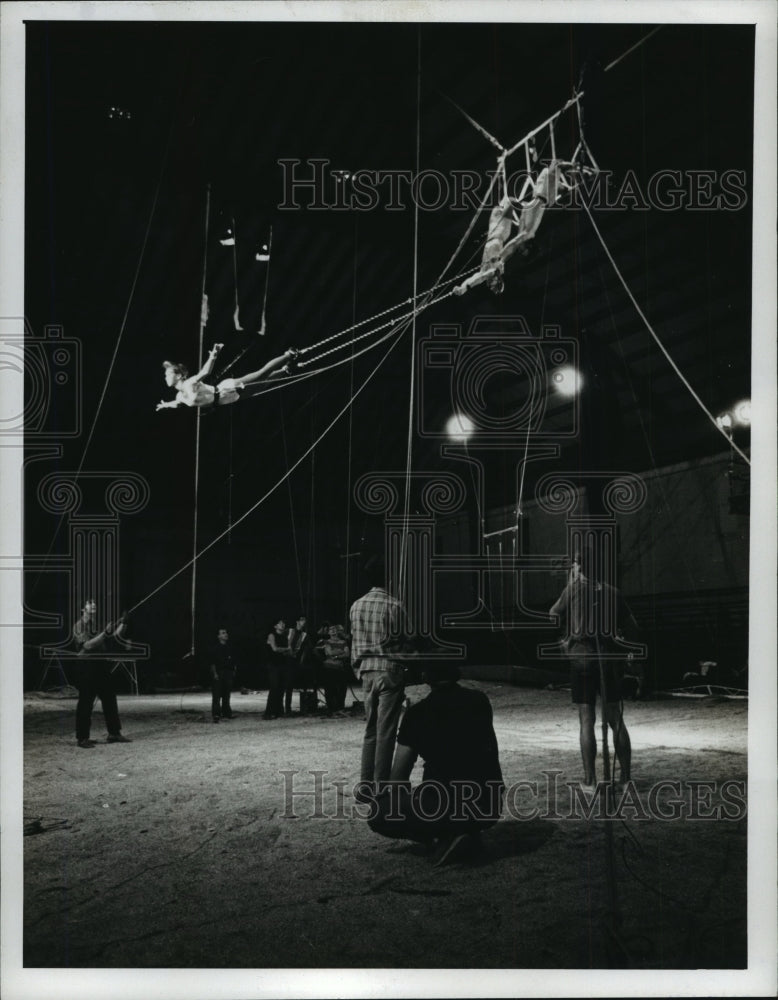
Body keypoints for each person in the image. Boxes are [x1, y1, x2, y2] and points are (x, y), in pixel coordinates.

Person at [365, 662, 504, 866]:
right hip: (488, 804)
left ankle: (446, 835)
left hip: (443, 805)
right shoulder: (480, 700)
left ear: (424, 676)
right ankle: (466, 832)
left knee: (379, 812)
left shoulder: (418, 713)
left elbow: (397, 780)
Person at [549, 549, 640, 788]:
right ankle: (626, 777)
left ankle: (590, 778)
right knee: (615, 718)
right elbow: (633, 627)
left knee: (586, 719)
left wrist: (566, 638)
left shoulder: (572, 590)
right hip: (608, 660)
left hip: (582, 660)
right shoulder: (613, 592)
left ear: (579, 566)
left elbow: (552, 615)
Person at [454, 160, 573, 296]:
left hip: (495, 234)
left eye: (492, 288)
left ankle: (557, 179)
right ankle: (556, 172)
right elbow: (512, 245)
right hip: (501, 234)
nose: (490, 287)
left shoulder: (487, 271)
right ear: (498, 281)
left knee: (536, 199)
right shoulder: (496, 271)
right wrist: (501, 258)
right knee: (541, 199)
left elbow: (476, 277)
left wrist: (463, 287)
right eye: (494, 287)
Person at [350, 558, 409, 789]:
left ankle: (365, 785)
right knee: (386, 732)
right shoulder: (395, 605)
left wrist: (357, 668)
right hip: (389, 671)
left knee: (370, 730)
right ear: (389, 580)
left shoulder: (355, 606)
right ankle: (381, 786)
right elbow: (405, 641)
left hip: (366, 671)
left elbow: (354, 639)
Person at [156, 343, 298, 411]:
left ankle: (289, 355)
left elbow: (205, 372)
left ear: (179, 375)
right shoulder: (179, 397)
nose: (165, 378)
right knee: (262, 386)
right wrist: (165, 405)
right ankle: (284, 370)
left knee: (261, 374)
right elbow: (176, 404)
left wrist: (212, 356)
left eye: (167, 374)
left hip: (226, 388)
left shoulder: (189, 383)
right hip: (226, 400)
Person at [72, 598, 131, 748]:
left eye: (94, 603)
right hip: (87, 666)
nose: (93, 604)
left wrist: (123, 623)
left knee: (110, 698)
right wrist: (105, 633)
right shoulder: (79, 626)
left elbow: (113, 638)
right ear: (82, 609)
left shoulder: (96, 626)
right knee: (86, 702)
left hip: (100, 665)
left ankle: (114, 733)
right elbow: (88, 645)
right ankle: (82, 738)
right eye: (89, 602)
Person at [316, 624, 352, 714]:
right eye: (330, 629)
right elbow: (329, 653)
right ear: (328, 632)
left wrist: (336, 655)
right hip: (329, 667)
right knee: (329, 689)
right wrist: (340, 652)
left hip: (340, 668)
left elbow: (347, 654)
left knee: (341, 688)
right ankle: (331, 708)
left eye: (334, 629)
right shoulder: (326, 642)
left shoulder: (343, 642)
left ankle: (340, 708)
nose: (333, 631)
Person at [264, 618, 292, 719]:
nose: (283, 625)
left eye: (283, 623)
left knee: (281, 688)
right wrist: (285, 650)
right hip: (273, 665)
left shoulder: (285, 637)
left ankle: (278, 712)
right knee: (274, 688)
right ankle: (268, 713)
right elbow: (274, 648)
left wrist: (284, 650)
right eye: (280, 623)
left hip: (283, 664)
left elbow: (290, 651)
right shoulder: (272, 635)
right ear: (275, 626)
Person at [210, 627, 236, 723]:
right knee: (217, 694)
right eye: (223, 633)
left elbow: (233, 661)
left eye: (226, 632)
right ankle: (216, 714)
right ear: (218, 636)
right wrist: (215, 673)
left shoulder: (229, 648)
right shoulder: (215, 648)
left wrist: (233, 671)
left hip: (228, 672)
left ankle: (227, 713)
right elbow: (212, 663)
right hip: (219, 672)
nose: (226, 634)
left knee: (227, 694)